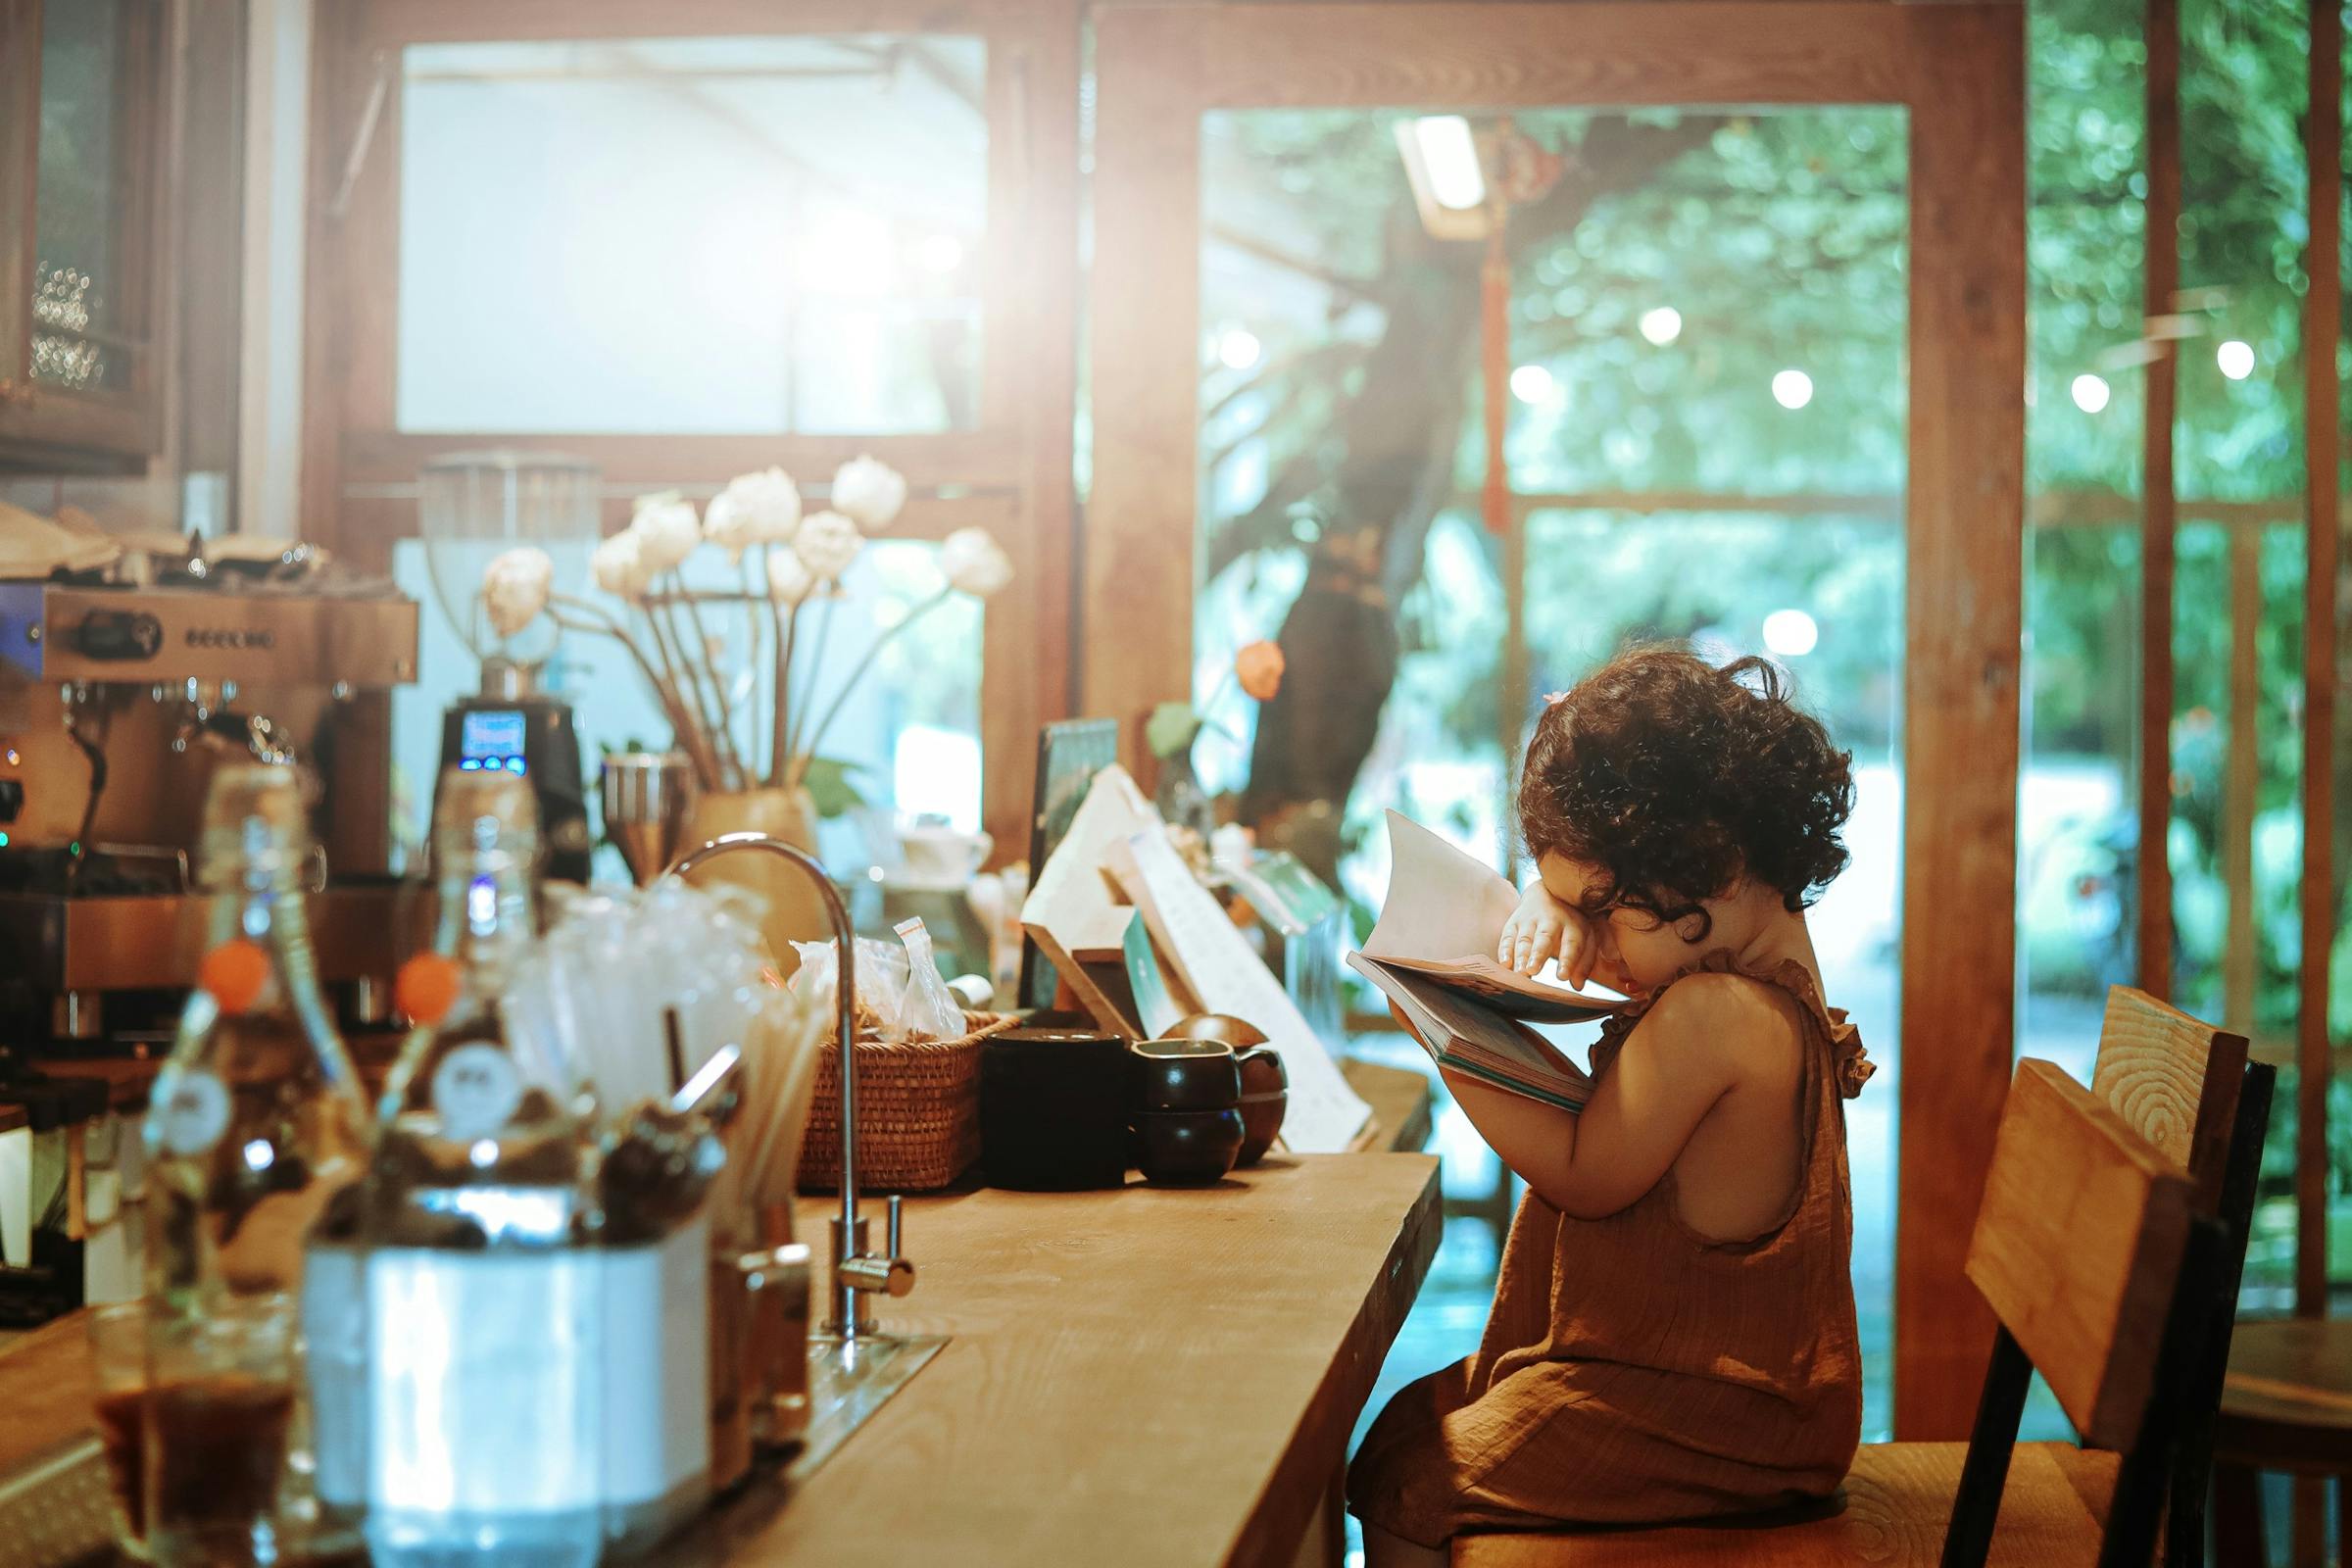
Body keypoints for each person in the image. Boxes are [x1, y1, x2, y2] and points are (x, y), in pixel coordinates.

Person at [1348, 645, 1875, 1567]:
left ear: (1704, 868)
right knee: (1409, 1421)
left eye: (1598, 903)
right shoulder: (1746, 961)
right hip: (1716, 1391)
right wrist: (1567, 908)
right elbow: (1640, 931)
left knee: (1410, 1481)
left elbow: (1584, 1174)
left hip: (1719, 1417)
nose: (1594, 935)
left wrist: (1442, 1024)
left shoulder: (1715, 1019)